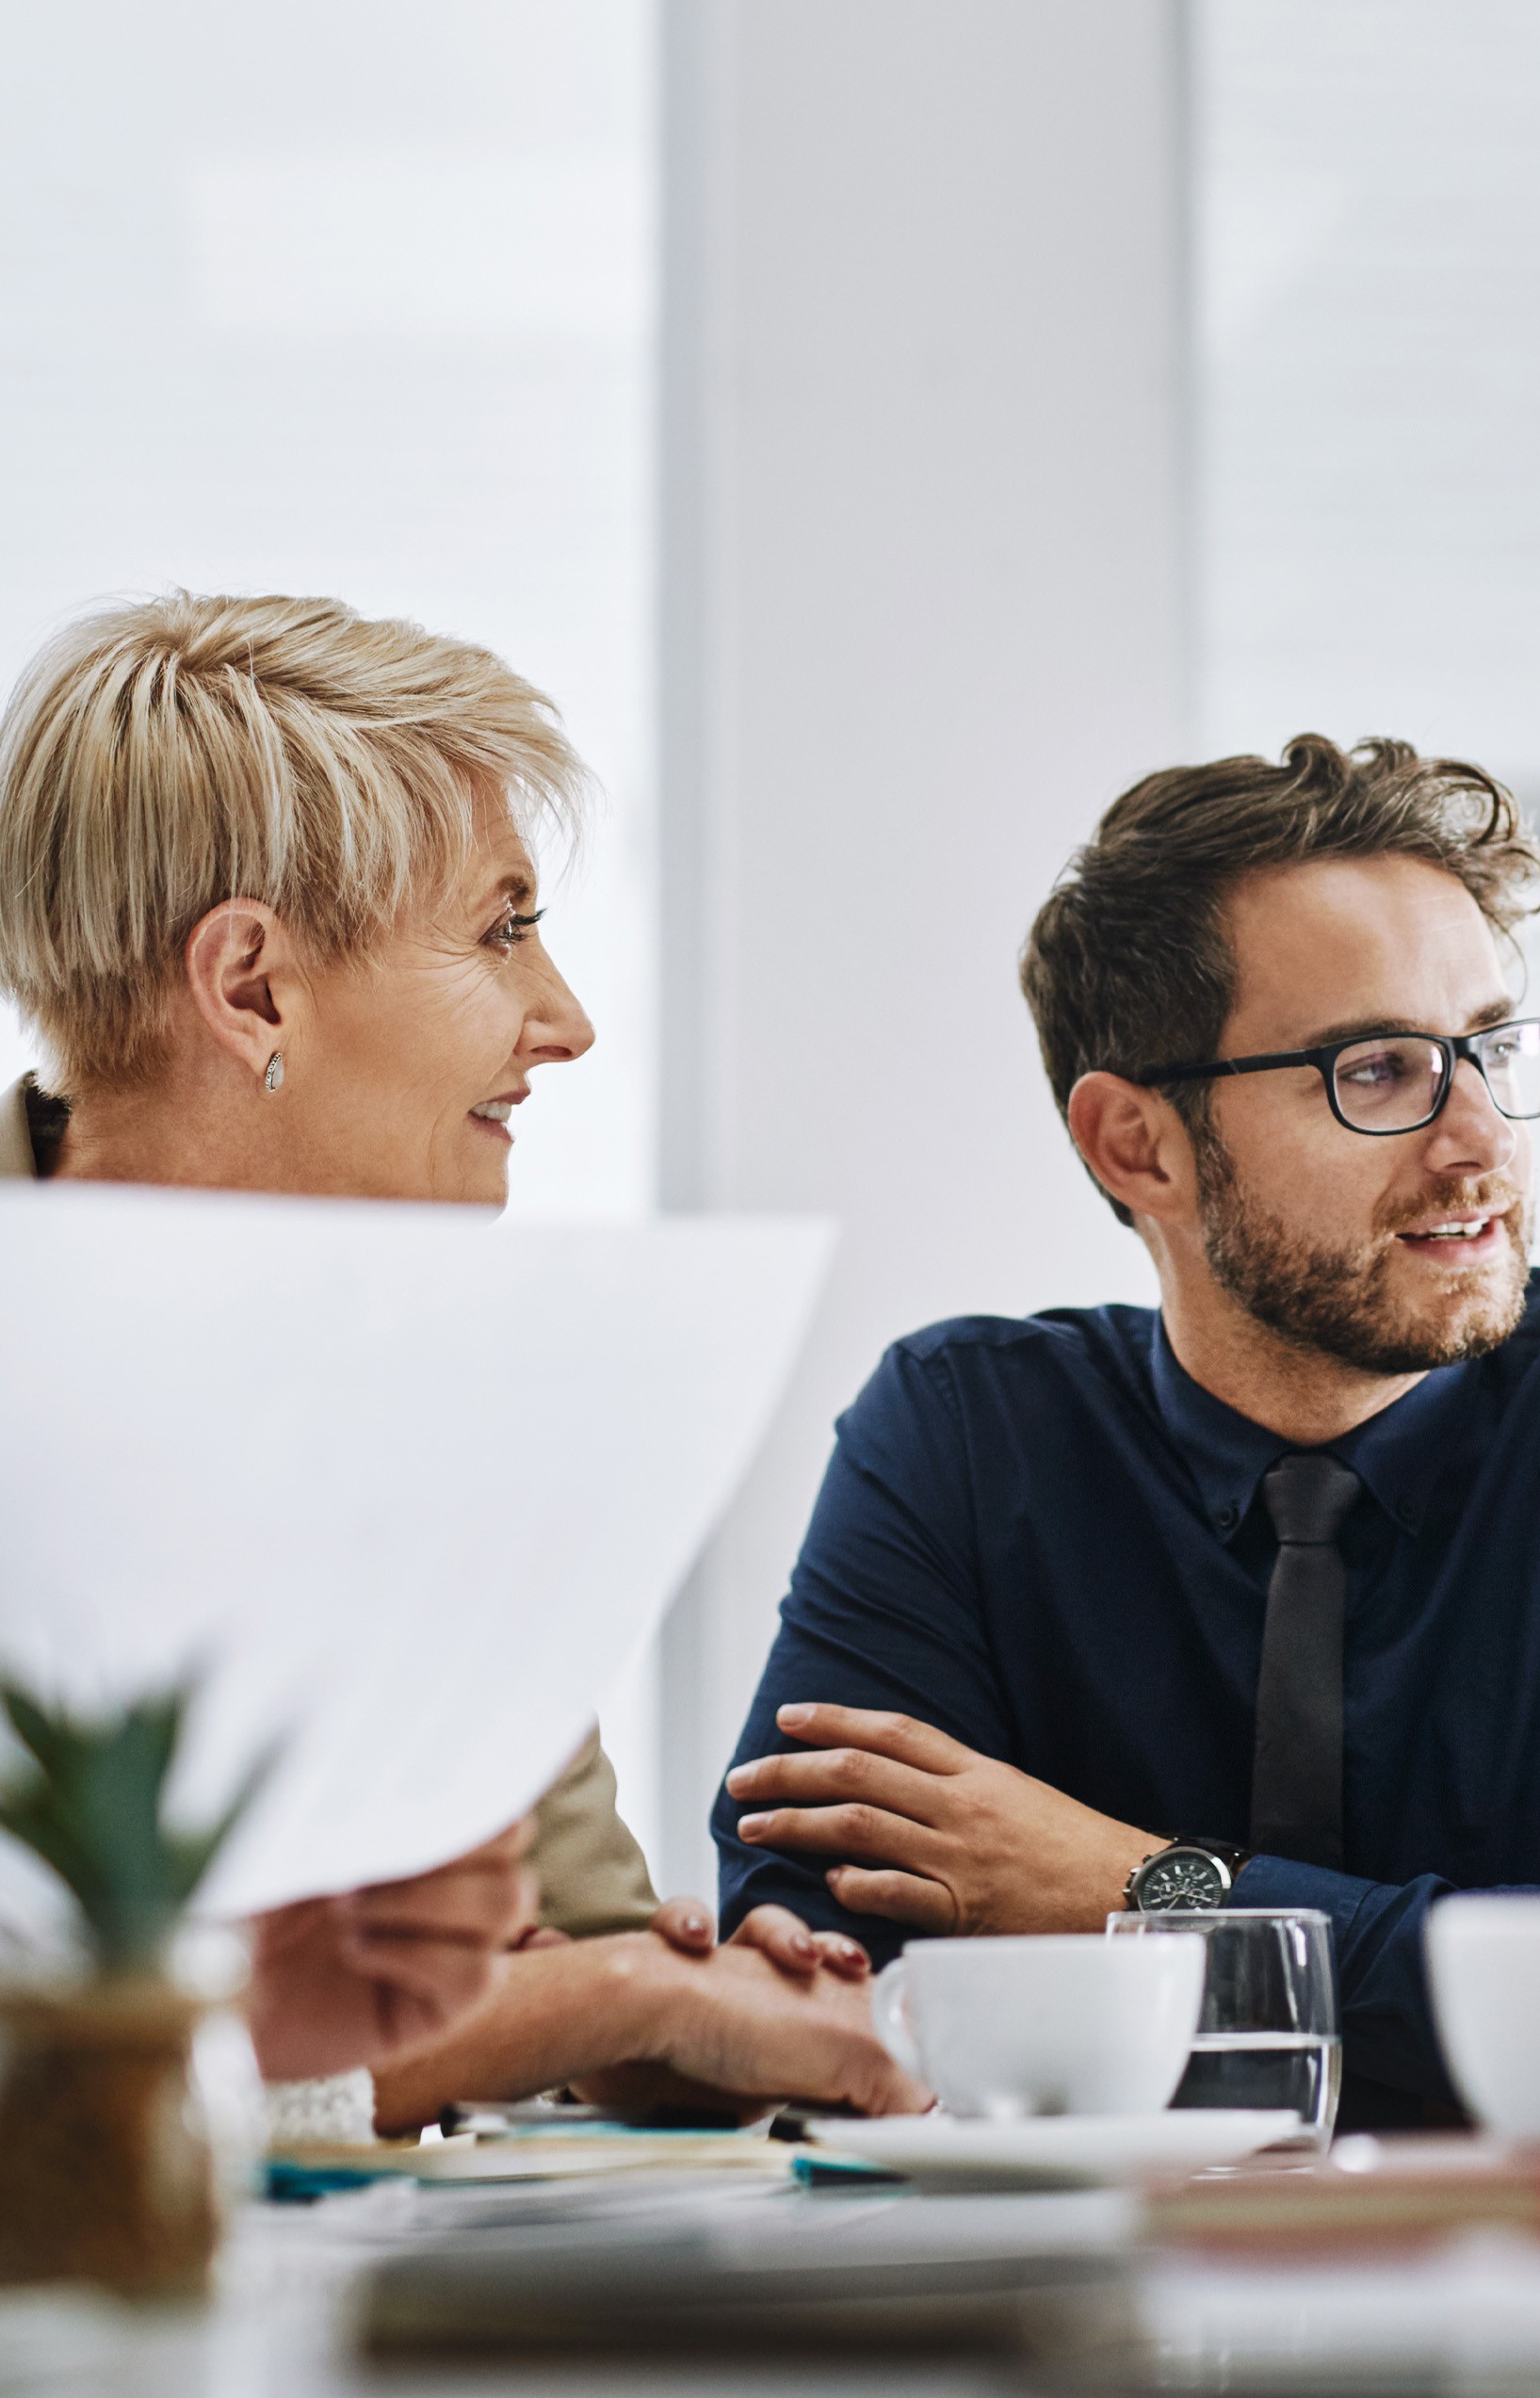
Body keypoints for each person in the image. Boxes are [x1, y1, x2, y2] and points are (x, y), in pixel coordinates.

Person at [713, 735, 1540, 2130]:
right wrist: (1518, 1984)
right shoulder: (964, 1435)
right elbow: (819, 1982)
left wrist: (1139, 1894)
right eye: (1380, 1070)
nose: (1483, 1143)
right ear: (1137, 1148)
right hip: (1082, 2315)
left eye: (1495, 1049)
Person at [0, 591, 923, 2135]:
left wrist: (666, 2022)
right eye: (503, 929)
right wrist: (570, 2010)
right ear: (250, 987)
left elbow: (574, 1944)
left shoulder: (444, 1391)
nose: (563, 1018)